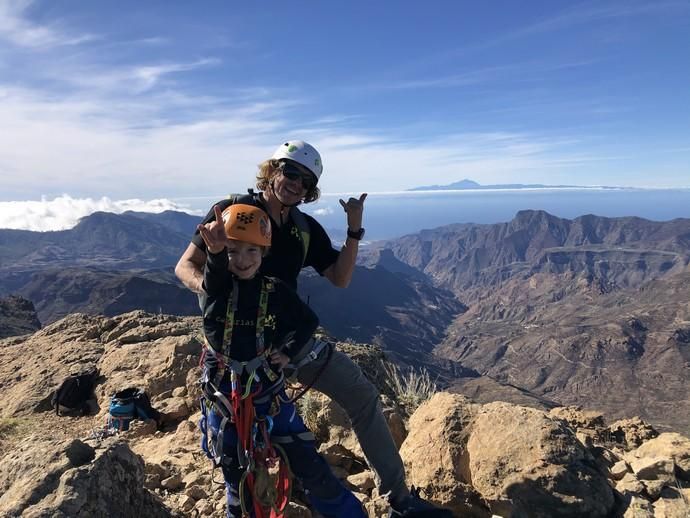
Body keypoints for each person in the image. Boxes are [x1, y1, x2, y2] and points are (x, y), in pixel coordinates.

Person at [176, 140, 451, 517]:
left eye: (305, 180)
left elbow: (339, 277)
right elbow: (186, 266)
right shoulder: (232, 212)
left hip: (289, 341)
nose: (295, 183)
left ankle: (398, 499)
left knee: (361, 396)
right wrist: (213, 296)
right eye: (290, 171)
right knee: (247, 438)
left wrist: (354, 231)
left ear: (309, 191)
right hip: (238, 349)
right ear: (273, 170)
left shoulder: (303, 230)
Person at [197, 202, 366, 518]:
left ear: (264, 253)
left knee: (308, 463)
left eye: (252, 251)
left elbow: (307, 321)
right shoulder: (217, 293)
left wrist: (288, 351)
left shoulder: (274, 291)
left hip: (266, 394)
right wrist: (216, 253)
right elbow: (215, 277)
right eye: (233, 252)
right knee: (236, 479)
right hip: (228, 399)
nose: (243, 260)